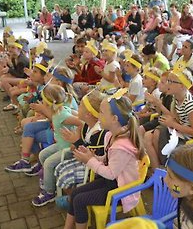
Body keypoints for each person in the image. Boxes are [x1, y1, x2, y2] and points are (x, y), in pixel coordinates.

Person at [64, 95, 145, 229]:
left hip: (120, 189)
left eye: (101, 112)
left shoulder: (121, 146)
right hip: (112, 182)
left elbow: (111, 173)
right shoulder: (110, 135)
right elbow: (109, 160)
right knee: (75, 194)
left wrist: (89, 161)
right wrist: (93, 157)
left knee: (79, 200)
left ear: (114, 119)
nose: (98, 115)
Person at [28, 84, 82, 206]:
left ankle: (49, 192)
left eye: (43, 100)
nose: (41, 102)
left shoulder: (62, 115)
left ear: (48, 103)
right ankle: (46, 178)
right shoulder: (60, 110)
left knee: (48, 163)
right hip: (61, 145)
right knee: (42, 155)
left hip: (68, 149)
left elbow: (82, 122)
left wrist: (76, 138)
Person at [144, 64, 193, 169]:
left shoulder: (190, 104)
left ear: (182, 85)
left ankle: (165, 165)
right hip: (179, 129)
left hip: (187, 135)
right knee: (147, 136)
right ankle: (157, 168)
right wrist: (158, 104)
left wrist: (172, 124)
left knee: (157, 133)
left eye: (171, 82)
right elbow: (175, 117)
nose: (168, 84)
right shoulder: (176, 98)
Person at [54, 90, 107, 209]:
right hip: (83, 161)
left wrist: (76, 141)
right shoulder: (86, 125)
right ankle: (73, 197)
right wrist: (75, 141)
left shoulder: (98, 133)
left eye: (81, 105)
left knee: (64, 177)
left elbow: (93, 155)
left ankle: (73, 201)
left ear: (88, 114)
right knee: (59, 168)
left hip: (93, 170)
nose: (78, 106)